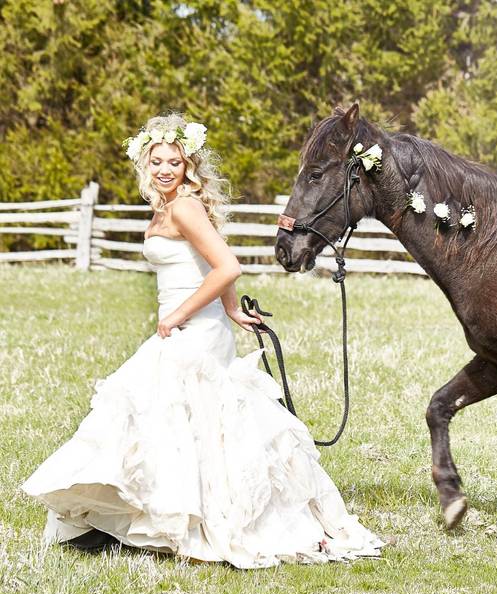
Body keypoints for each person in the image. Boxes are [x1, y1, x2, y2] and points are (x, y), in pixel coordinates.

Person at [20, 113, 382, 569]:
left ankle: (170, 519)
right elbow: (208, 259)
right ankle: (136, 519)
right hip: (199, 322)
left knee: (158, 402)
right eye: (157, 162)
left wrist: (179, 314)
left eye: (174, 161)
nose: (165, 169)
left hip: (194, 328)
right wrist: (231, 309)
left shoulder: (185, 206)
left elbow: (227, 266)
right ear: (145, 165)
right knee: (165, 413)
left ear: (188, 166)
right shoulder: (169, 207)